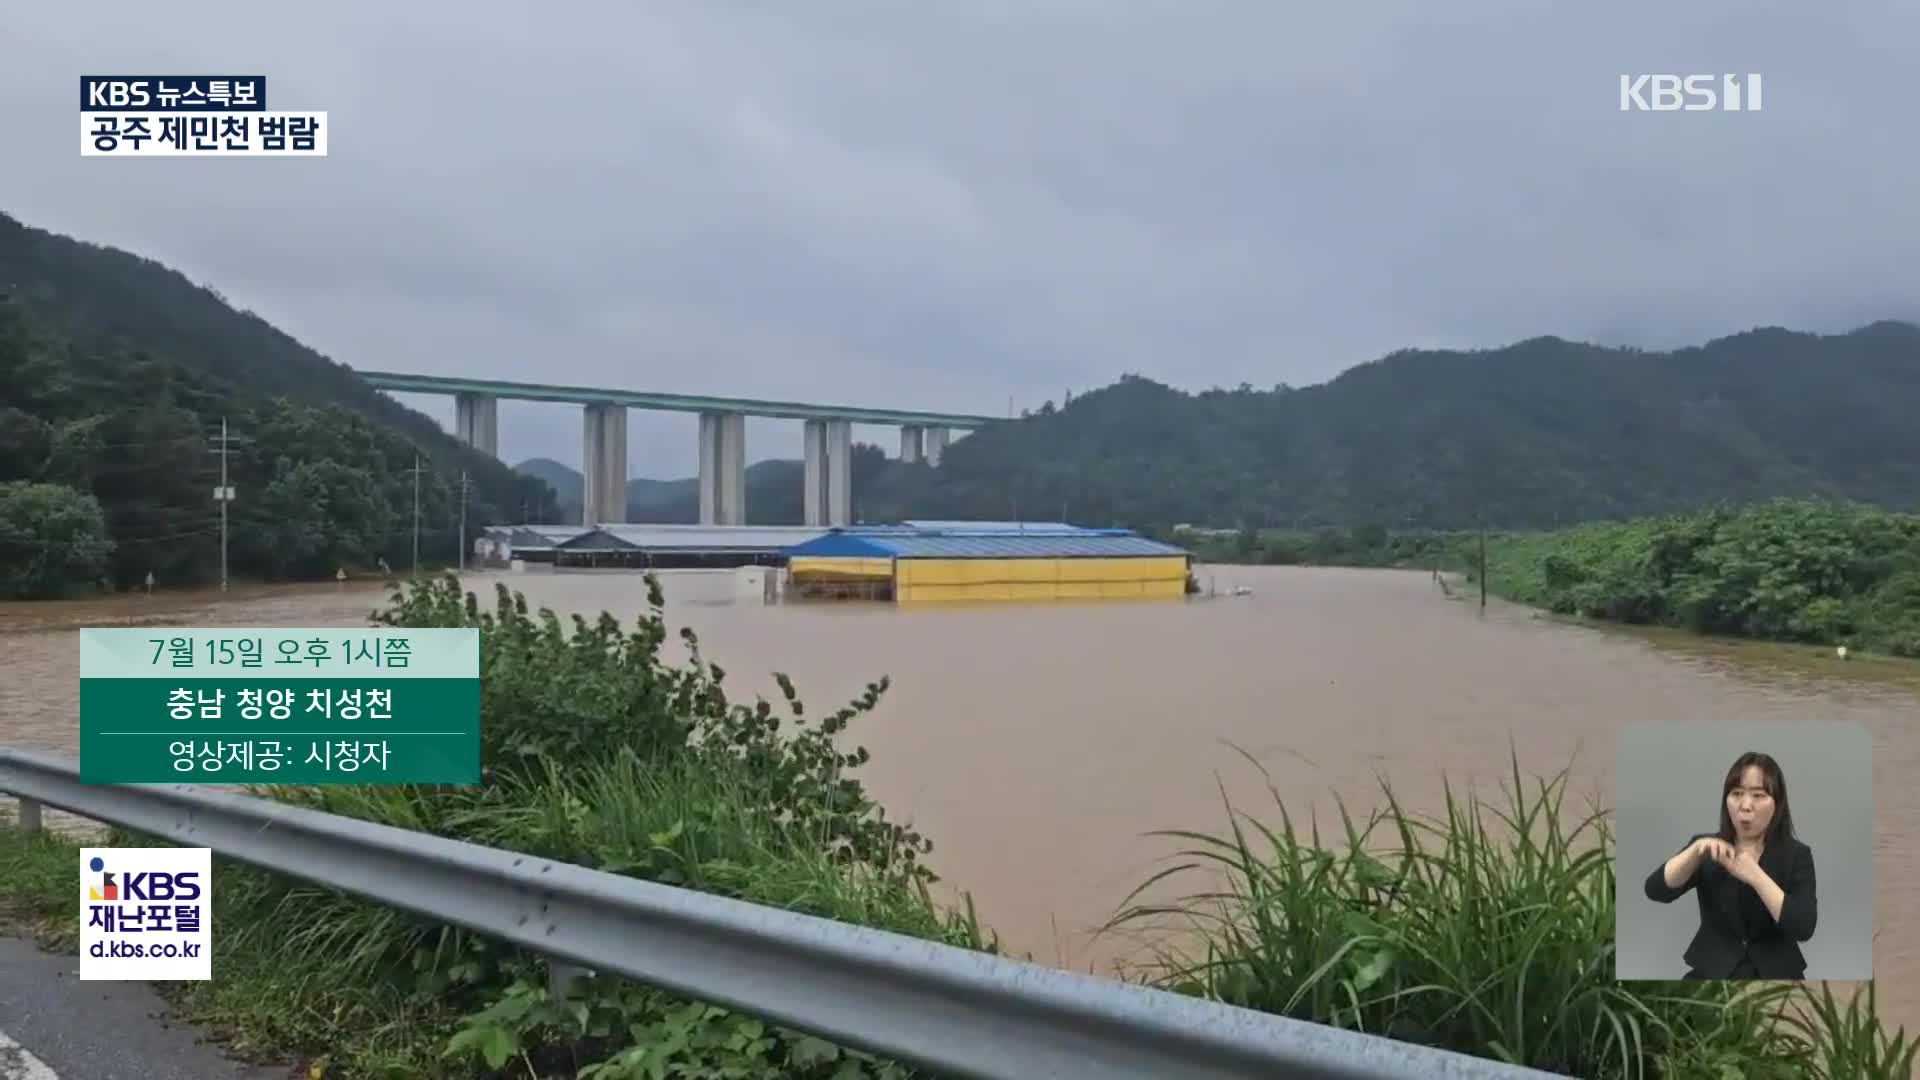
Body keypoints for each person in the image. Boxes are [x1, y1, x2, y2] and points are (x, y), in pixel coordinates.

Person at [1643, 751, 1817, 979]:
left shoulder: (1797, 855)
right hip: (1712, 973)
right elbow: (1656, 890)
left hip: (1778, 976)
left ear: (1778, 803)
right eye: (1736, 793)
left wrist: (1755, 875)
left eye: (1759, 795)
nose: (1746, 805)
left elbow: (1803, 927)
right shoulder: (1707, 848)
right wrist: (1694, 852)